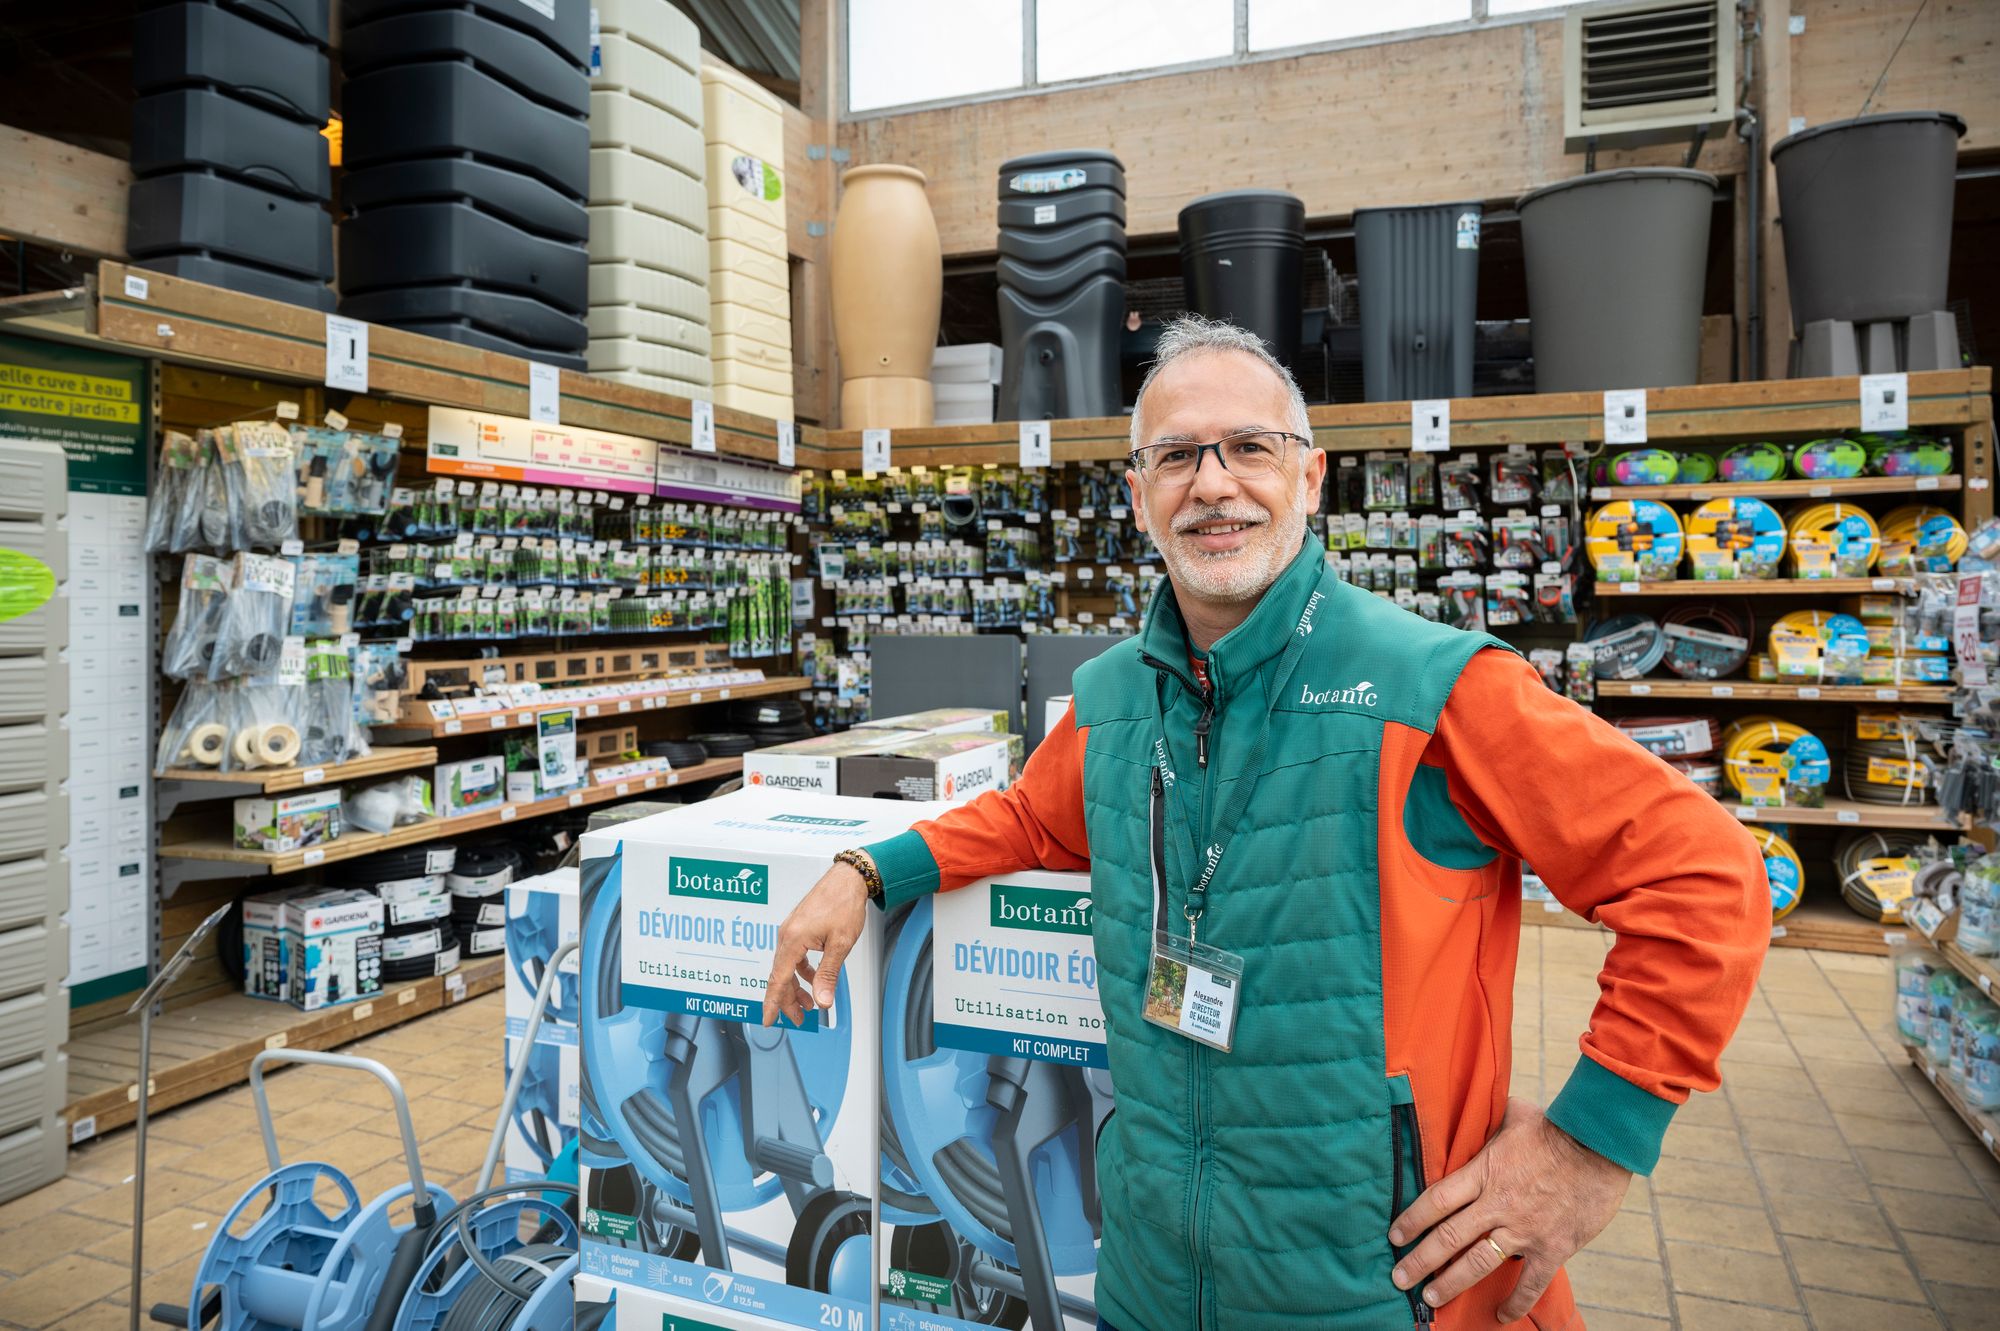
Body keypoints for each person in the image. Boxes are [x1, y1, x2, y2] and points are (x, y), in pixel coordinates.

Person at [763, 315, 1769, 1331]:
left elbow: (1705, 876)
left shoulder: (1432, 686)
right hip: (1153, 1280)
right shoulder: (1112, 695)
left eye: (1249, 446)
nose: (1212, 483)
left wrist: (1587, 1143)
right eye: (1175, 456)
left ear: (1311, 475)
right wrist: (865, 867)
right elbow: (1032, 815)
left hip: (1372, 1290)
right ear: (1136, 494)